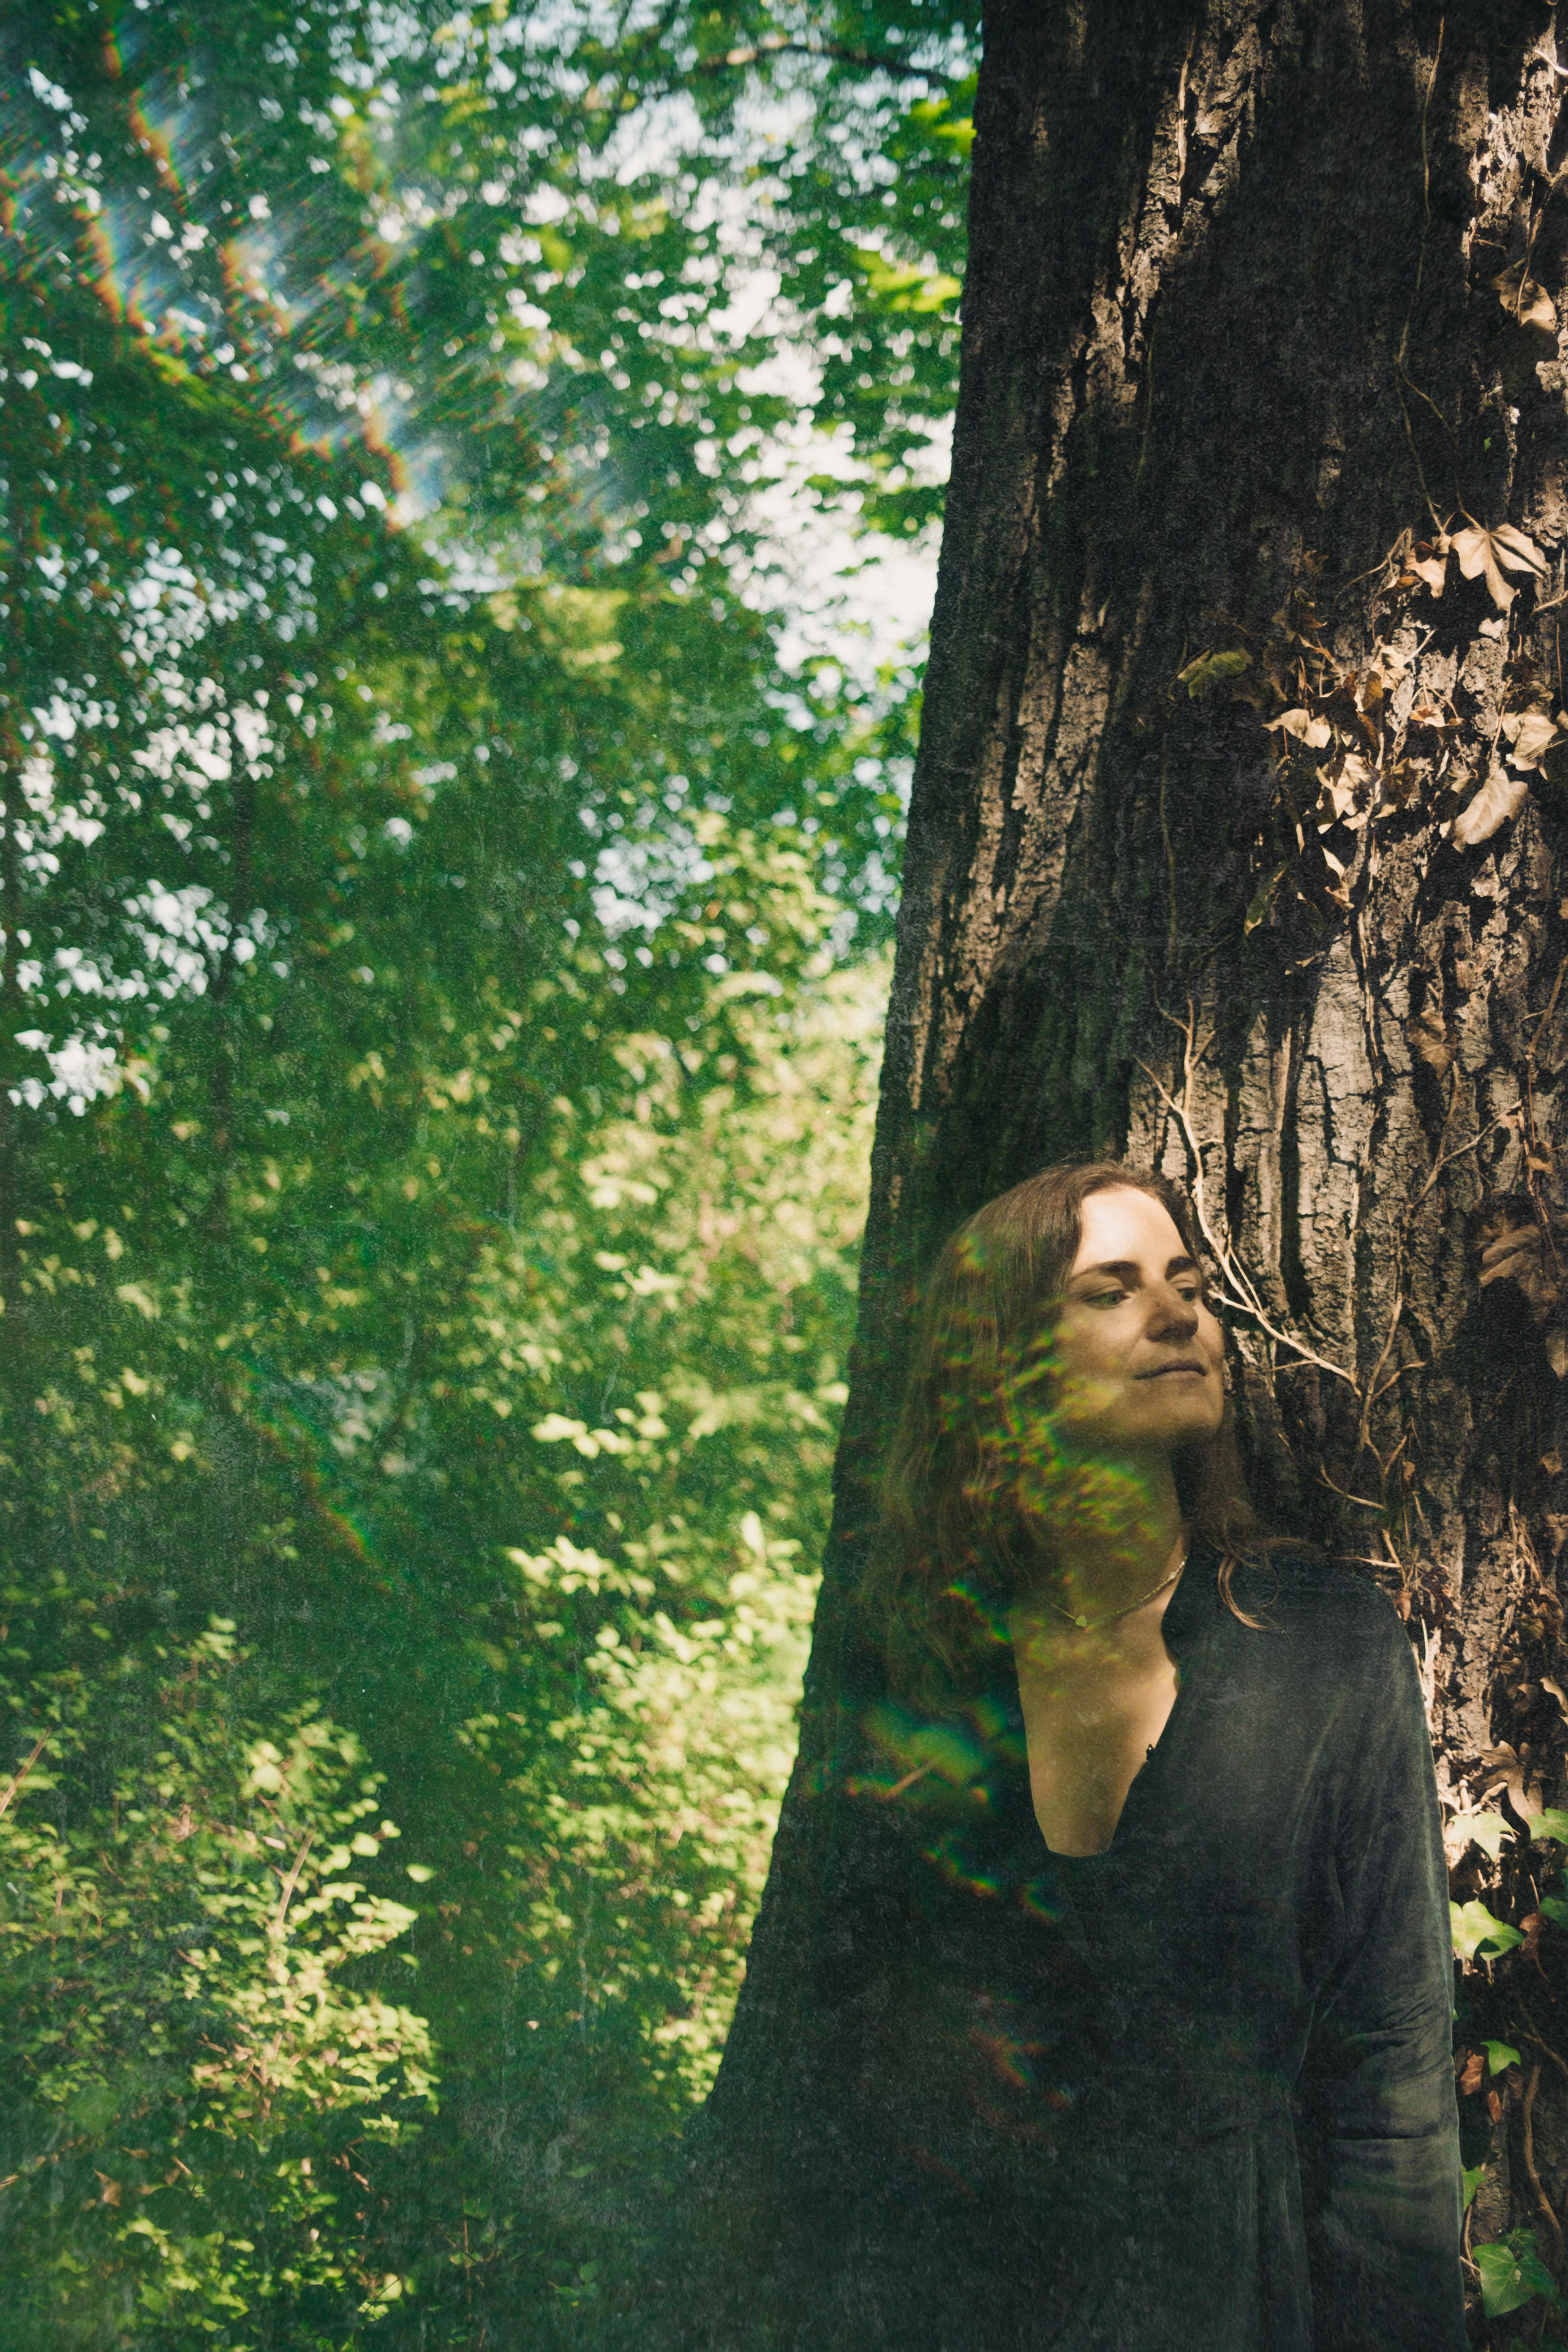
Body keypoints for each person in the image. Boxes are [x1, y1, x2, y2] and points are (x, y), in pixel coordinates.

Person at [738, 1159, 1465, 2352]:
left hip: (1233, 2306)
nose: (1178, 1314)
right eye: (1107, 1291)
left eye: (1184, 1283)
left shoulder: (1320, 1644)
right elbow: (837, 2063)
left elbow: (1390, 2082)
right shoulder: (924, 1666)